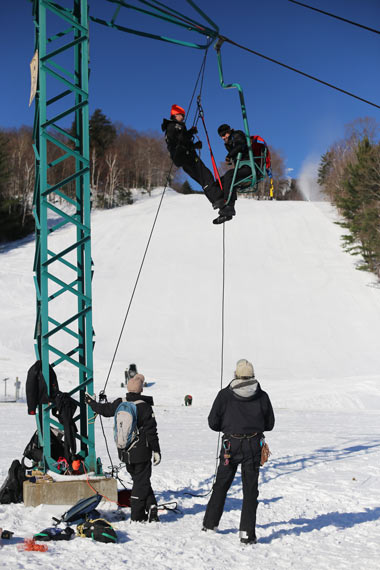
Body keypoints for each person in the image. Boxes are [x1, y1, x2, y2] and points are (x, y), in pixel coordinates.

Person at [202, 359, 275, 544]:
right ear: (253, 375)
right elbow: (270, 424)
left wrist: (229, 426)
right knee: (250, 490)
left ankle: (210, 524)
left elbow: (213, 422)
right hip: (253, 444)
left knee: (221, 485)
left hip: (230, 445)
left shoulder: (225, 395)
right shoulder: (262, 396)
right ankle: (246, 533)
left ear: (235, 375)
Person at [85, 373, 161, 523]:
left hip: (125, 451)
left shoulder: (121, 402)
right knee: (141, 481)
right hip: (142, 452)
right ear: (141, 390)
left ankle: (151, 505)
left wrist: (91, 402)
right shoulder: (144, 407)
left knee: (141, 480)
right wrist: (156, 450)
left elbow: (104, 410)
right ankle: (137, 516)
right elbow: (152, 431)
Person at [161, 105, 219, 205]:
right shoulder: (175, 126)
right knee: (206, 176)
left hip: (182, 159)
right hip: (187, 156)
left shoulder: (171, 127)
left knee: (202, 179)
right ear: (175, 115)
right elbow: (181, 141)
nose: (183, 117)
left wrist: (190, 132)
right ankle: (218, 199)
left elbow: (180, 139)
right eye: (181, 115)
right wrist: (194, 146)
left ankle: (216, 200)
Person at [211, 124, 254, 225]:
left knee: (229, 175)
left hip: (248, 168)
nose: (224, 137)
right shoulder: (228, 143)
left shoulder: (237, 135)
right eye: (221, 136)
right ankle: (224, 210)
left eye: (225, 134)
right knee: (219, 182)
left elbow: (241, 145)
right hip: (240, 168)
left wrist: (229, 155)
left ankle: (229, 206)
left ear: (229, 131)